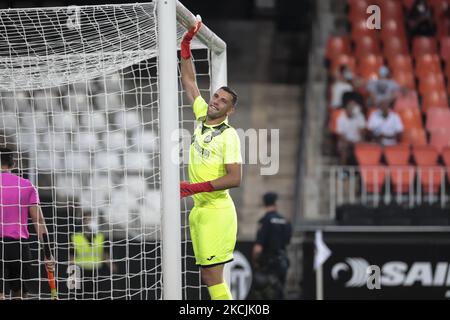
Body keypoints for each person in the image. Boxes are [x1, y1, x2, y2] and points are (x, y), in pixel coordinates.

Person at [179, 17, 242, 301]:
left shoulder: (229, 136)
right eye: (215, 96)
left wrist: (194, 188)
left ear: (230, 111)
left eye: (222, 101)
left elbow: (235, 178)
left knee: (213, 277)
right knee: (208, 277)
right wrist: (186, 46)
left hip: (217, 212)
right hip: (200, 211)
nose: (215, 101)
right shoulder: (202, 115)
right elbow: (190, 81)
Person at [0, 147, 55, 299]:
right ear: (13, 164)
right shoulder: (26, 185)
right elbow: (39, 221)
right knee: (19, 294)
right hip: (18, 248)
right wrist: (47, 254)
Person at [251, 192, 292, 300]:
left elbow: (258, 248)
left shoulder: (265, 221)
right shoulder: (285, 221)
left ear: (264, 203)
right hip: (282, 262)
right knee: (280, 293)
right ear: (275, 203)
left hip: (267, 265)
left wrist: (255, 262)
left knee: (267, 294)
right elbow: (287, 241)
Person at [69, 214, 116, 300]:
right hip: (81, 269)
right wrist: (72, 272)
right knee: (80, 295)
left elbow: (104, 253)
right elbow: (71, 255)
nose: (89, 222)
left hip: (96, 269)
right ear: (83, 222)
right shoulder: (76, 237)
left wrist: (111, 265)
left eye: (91, 220)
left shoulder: (99, 236)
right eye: (87, 220)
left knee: (96, 294)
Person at [336, 98, 366, 165]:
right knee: (343, 148)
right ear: (346, 108)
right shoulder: (341, 118)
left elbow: (362, 132)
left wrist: (359, 141)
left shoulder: (359, 116)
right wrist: (350, 142)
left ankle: (360, 172)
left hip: (357, 141)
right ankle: (342, 172)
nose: (352, 108)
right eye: (350, 106)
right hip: (346, 141)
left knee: (364, 147)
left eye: (354, 106)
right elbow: (341, 136)